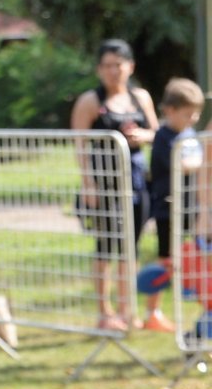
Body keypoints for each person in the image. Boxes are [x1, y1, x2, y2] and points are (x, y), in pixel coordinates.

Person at [71, 40, 159, 334]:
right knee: (106, 248)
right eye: (107, 65)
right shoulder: (90, 101)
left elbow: (156, 133)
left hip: (135, 181)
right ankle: (104, 311)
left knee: (130, 248)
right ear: (99, 69)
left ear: (130, 66)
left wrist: (141, 137)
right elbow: (80, 144)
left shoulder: (140, 97)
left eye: (118, 65)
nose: (113, 71)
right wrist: (88, 184)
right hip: (104, 182)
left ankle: (127, 309)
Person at [145, 78, 205, 332]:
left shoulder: (189, 134)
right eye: (188, 113)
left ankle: (196, 296)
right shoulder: (163, 137)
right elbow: (182, 164)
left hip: (191, 206)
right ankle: (152, 311)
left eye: (197, 114)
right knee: (165, 259)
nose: (193, 119)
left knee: (197, 253)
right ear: (169, 110)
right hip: (168, 209)